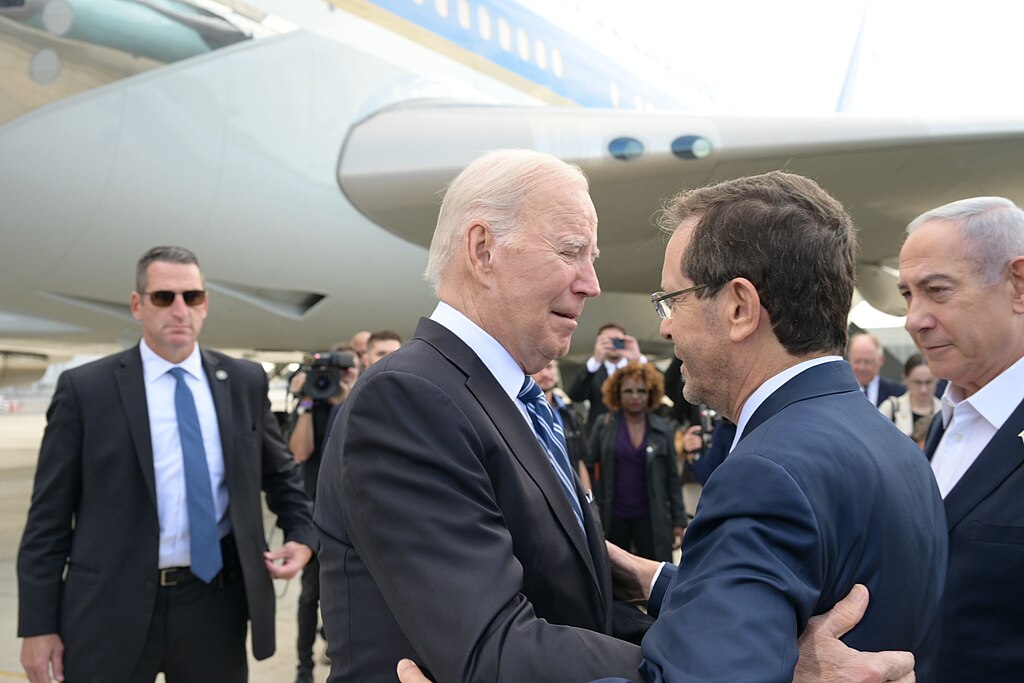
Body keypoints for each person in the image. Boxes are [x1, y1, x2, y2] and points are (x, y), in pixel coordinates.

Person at [319, 151, 918, 683]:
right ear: (482, 251)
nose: (591, 283)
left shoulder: (505, 398)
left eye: (592, 257)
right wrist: (750, 665)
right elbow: (493, 651)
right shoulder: (410, 398)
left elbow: (579, 610)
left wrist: (734, 645)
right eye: (570, 251)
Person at [17, 246, 315, 683]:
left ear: (205, 304)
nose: (180, 310)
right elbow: (48, 517)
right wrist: (38, 625)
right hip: (109, 608)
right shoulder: (86, 389)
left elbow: (281, 473)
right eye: (163, 297)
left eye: (192, 297)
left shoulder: (243, 382)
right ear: (138, 305)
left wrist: (302, 535)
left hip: (214, 605)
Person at [897, 196, 1024, 682]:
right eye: (908, 295)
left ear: (1018, 285)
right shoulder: (952, 418)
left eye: (937, 291)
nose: (915, 319)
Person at [288, 346, 359, 683]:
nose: (339, 377)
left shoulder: (363, 401)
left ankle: (338, 653)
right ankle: (304, 667)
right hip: (315, 511)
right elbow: (299, 453)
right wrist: (305, 402)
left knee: (346, 596)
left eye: (347, 369)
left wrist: (346, 400)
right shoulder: (310, 405)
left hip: (352, 516)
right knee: (309, 595)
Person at [587, 362, 686, 562]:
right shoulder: (603, 425)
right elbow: (588, 466)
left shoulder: (663, 429)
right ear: (617, 393)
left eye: (641, 391)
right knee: (615, 572)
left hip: (652, 516)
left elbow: (672, 478)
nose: (635, 396)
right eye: (628, 391)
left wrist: (679, 520)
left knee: (655, 570)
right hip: (612, 516)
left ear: (651, 393)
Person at [568, 322, 647, 430]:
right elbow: (575, 395)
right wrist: (595, 361)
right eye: (607, 341)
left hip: (636, 430)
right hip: (602, 433)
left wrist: (637, 360)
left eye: (617, 340)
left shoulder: (638, 367)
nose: (613, 345)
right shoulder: (593, 370)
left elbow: (658, 389)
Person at [532, 358, 591, 490]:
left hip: (573, 490)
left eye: (549, 367)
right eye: (539, 368)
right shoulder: (524, 412)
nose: (545, 374)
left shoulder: (569, 412)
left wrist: (588, 498)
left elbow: (580, 461)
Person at [878, 353, 940, 447]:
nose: (923, 389)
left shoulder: (945, 411)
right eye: (917, 382)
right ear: (906, 379)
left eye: (928, 382)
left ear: (937, 379)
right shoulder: (891, 407)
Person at [847, 333, 905, 406]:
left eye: (867, 361)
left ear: (881, 360)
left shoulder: (898, 392)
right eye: (857, 361)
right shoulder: (840, 392)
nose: (861, 368)